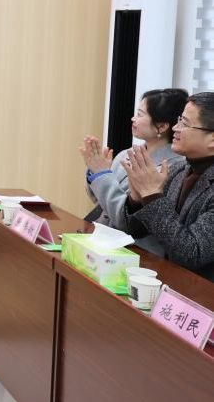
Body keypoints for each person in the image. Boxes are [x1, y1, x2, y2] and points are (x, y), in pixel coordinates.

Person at [121, 92, 214, 280]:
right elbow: (136, 230)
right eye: (179, 120)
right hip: (164, 281)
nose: (175, 128)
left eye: (185, 123)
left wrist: (152, 196)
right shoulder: (179, 169)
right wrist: (136, 199)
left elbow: (190, 253)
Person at [79, 88, 187, 229]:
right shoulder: (126, 154)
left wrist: (102, 174)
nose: (133, 119)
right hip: (101, 232)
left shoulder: (173, 167)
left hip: (130, 241)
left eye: (140, 115)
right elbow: (99, 200)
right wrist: (95, 170)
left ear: (161, 126)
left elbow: (124, 218)